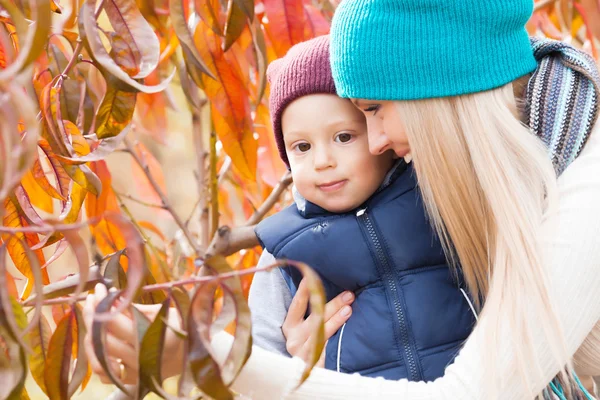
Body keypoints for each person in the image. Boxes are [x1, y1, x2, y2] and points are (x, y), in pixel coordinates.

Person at [84, 0, 600, 398]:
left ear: (437, 90)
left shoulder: (587, 186)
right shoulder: (533, 158)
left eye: (374, 109)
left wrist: (208, 355)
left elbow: (472, 393)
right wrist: (312, 362)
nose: (375, 143)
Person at [251, 34, 476, 381]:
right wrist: (297, 369)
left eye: (343, 137)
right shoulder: (284, 249)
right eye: (301, 146)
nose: (322, 161)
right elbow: (259, 361)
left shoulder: (436, 197)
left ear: (379, 132)